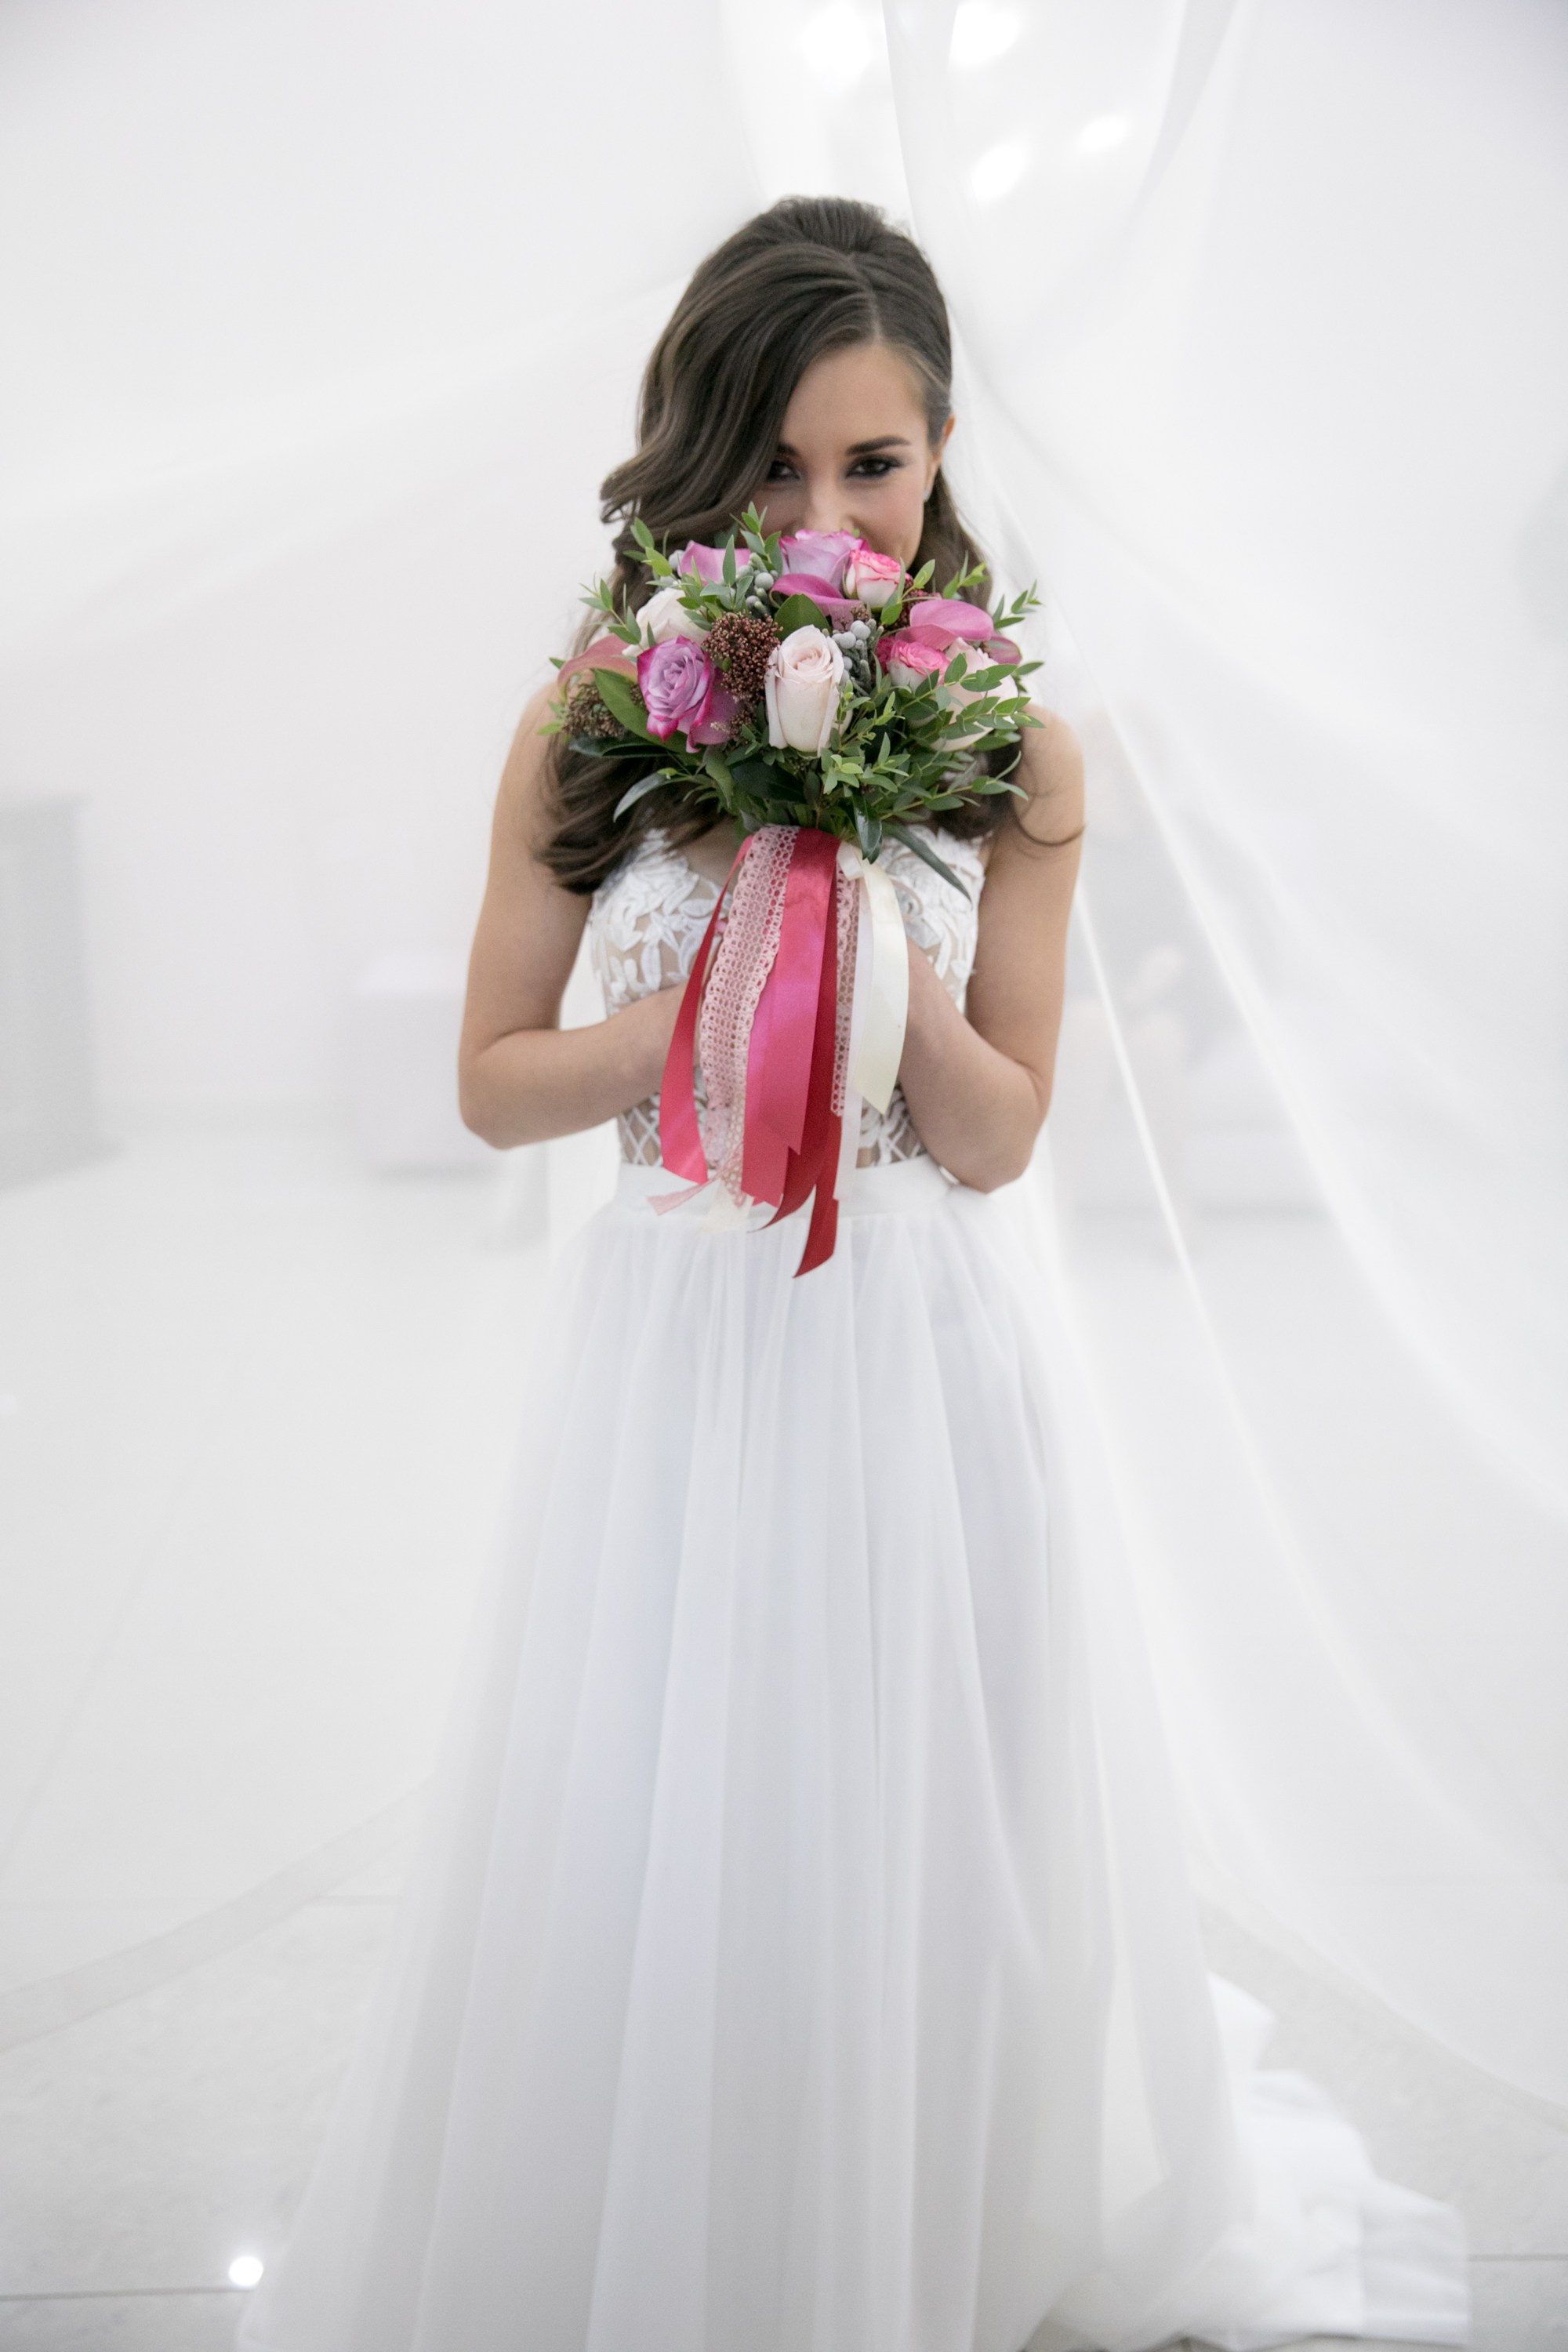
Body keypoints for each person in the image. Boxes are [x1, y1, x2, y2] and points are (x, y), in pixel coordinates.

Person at [238, 198, 1468, 2352]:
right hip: (680, 1350)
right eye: (773, 467)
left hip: (919, 1343)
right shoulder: (586, 737)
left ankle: (924, 2223)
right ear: (694, 464)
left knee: (924, 1831)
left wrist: (885, 978)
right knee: (679, 1826)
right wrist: (685, 1017)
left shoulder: (1024, 755)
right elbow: (494, 1085)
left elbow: (1001, 1138)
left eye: (872, 467)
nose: (823, 521)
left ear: (943, 454)